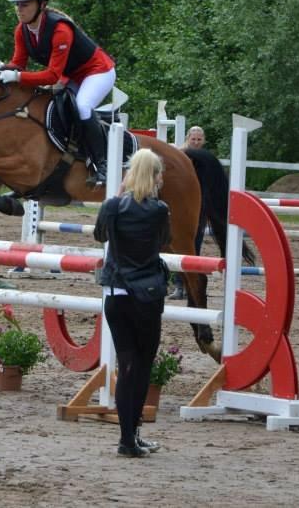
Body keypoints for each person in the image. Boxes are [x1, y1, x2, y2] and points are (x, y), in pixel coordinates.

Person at [0, 0, 116, 186]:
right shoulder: (21, 31)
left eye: (25, 4)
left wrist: (16, 76)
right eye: (17, 4)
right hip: (73, 75)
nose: (19, 9)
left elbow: (51, 76)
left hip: (97, 71)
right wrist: (1, 69)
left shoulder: (60, 30)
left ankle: (102, 163)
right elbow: (18, 63)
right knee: (52, 105)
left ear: (41, 5)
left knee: (83, 106)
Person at [93, 148, 169, 457]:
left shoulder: (112, 206)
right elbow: (164, 241)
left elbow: (99, 236)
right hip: (146, 295)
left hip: (116, 293)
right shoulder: (159, 209)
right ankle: (131, 435)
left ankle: (128, 439)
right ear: (154, 176)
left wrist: (120, 194)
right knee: (142, 366)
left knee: (125, 365)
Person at [171, 126, 207, 300]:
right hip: (180, 208)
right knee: (178, 247)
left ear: (204, 141)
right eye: (194, 139)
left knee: (195, 247)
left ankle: (192, 285)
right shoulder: (179, 156)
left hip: (199, 209)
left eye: (199, 139)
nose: (196, 142)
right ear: (188, 138)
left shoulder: (206, 160)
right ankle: (179, 286)